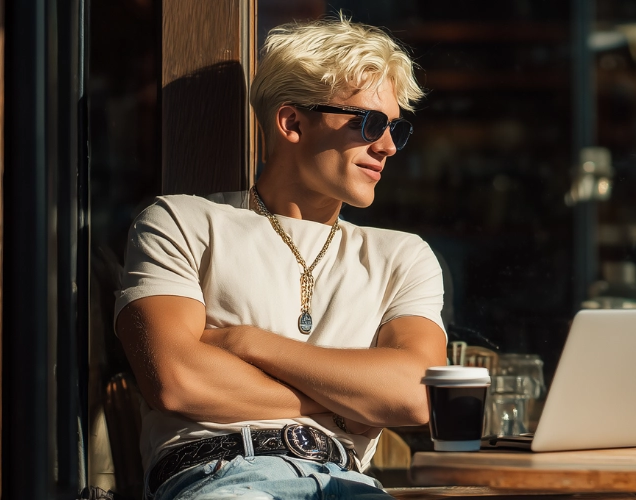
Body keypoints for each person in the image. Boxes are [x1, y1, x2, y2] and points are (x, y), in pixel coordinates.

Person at [114, 16, 443, 499]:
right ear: (291, 123)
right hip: (220, 475)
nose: (389, 146)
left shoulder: (402, 256)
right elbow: (176, 379)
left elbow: (415, 395)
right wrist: (344, 403)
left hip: (347, 482)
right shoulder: (182, 222)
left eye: (397, 128)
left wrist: (248, 343)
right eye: (371, 123)